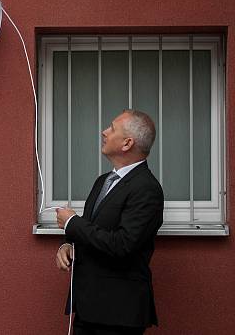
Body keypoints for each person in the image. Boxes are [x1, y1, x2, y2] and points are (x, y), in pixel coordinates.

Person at [55, 109, 164, 335]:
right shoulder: (103, 181)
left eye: (112, 128)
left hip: (118, 313)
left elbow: (123, 244)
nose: (104, 132)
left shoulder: (146, 189)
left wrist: (72, 223)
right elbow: (93, 230)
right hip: (88, 307)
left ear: (127, 143)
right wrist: (69, 245)